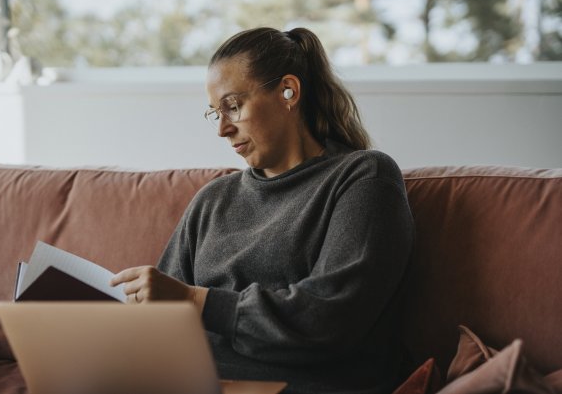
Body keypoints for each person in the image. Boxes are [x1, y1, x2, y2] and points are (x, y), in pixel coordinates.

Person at [110, 27, 414, 394]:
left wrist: (194, 299)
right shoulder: (213, 200)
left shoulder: (363, 177)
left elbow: (329, 318)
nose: (222, 128)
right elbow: (159, 320)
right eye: (215, 113)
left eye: (233, 106)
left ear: (289, 91)